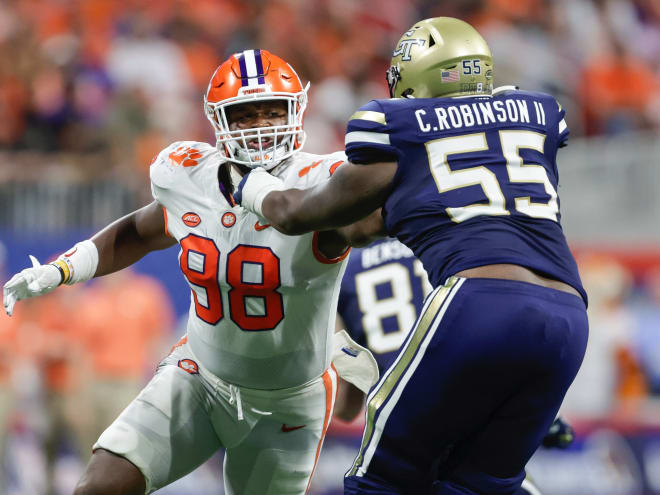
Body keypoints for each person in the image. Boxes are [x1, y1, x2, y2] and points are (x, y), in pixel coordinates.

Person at [235, 18, 590, 495]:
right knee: (481, 485)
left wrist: (250, 185)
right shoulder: (537, 111)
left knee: (381, 480)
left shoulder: (398, 125)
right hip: (568, 316)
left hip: (479, 300)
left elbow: (302, 214)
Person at [3, 49, 378, 495]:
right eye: (245, 114)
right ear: (219, 121)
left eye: (272, 110)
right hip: (198, 374)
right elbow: (141, 230)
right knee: (99, 486)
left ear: (296, 110)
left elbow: (356, 222)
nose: (261, 125)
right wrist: (64, 268)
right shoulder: (190, 175)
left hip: (287, 400)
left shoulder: (321, 179)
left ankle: (340, 369)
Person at [333, 237, 575, 495]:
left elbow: (345, 408)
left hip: (397, 420)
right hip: (462, 399)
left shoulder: (343, 269)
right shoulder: (446, 241)